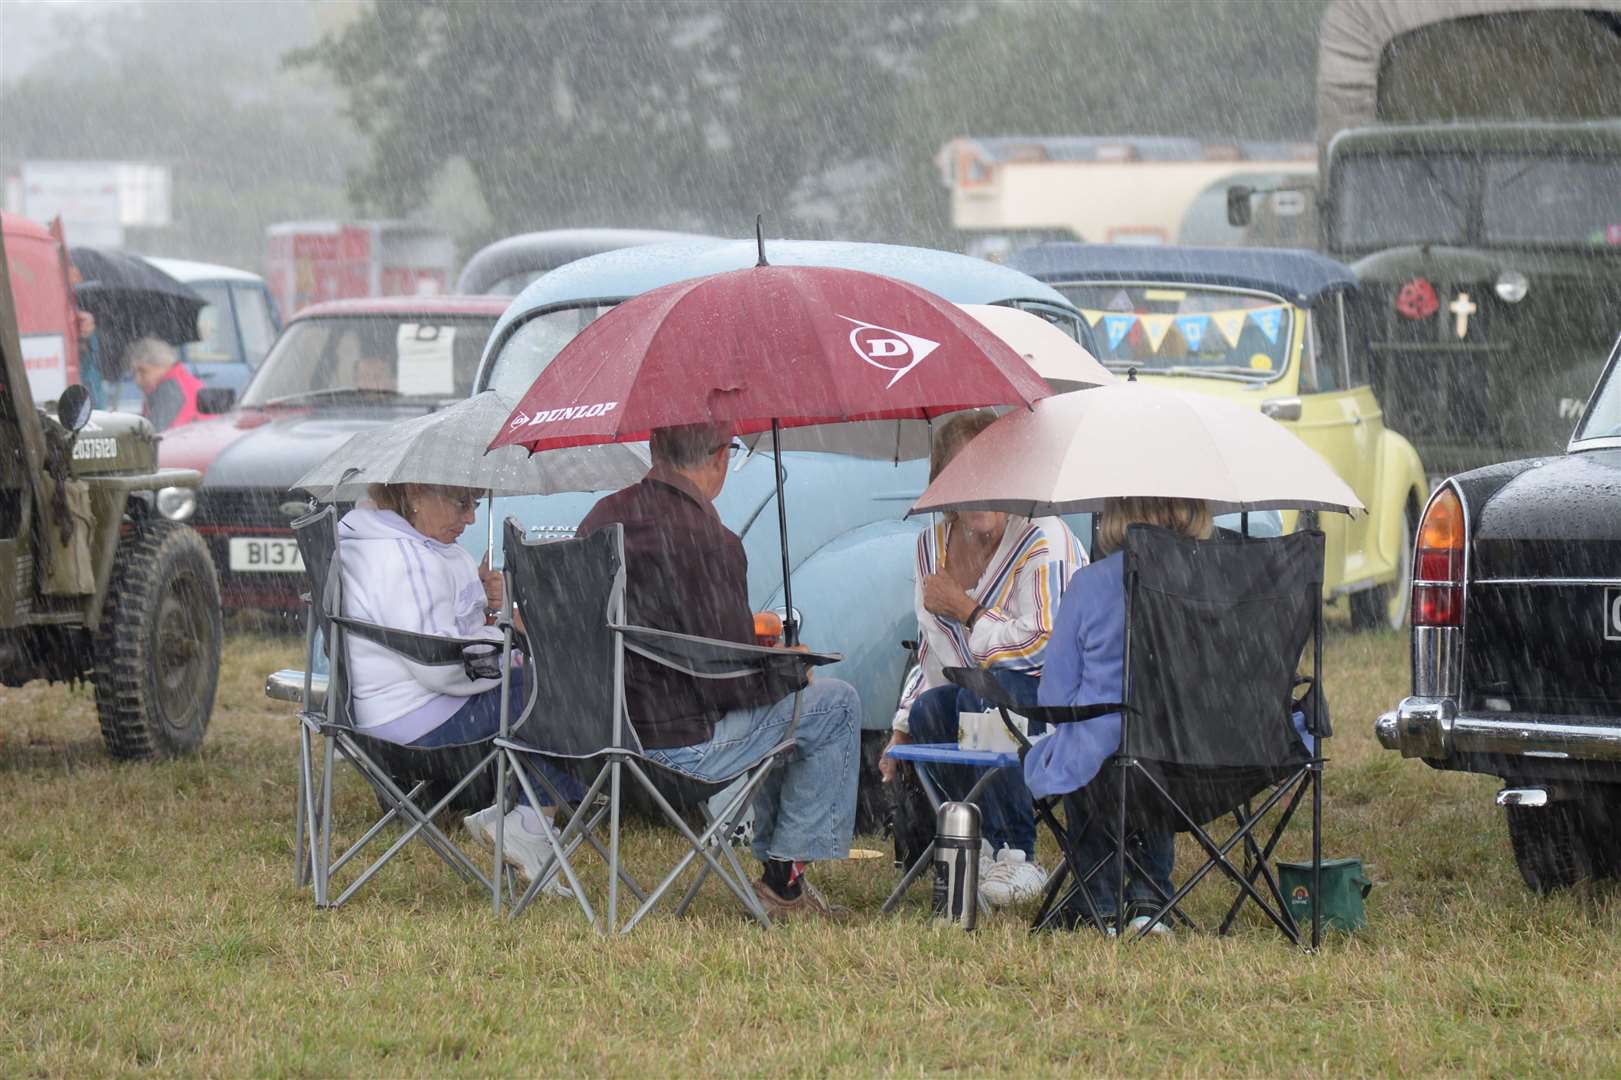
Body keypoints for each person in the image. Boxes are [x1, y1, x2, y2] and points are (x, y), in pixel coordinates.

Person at [577, 421, 862, 921]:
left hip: (597, 742)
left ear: (652, 448)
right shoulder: (711, 541)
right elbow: (730, 684)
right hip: (679, 752)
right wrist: (792, 670)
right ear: (720, 457)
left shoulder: (601, 518)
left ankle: (781, 873)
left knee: (788, 707)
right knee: (833, 704)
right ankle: (784, 883)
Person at [880, 410, 1084, 906]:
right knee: (936, 709)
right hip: (983, 702)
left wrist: (968, 611)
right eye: (966, 475)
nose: (981, 488)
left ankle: (1019, 852)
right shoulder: (930, 548)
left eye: (992, 471)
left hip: (1055, 705)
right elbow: (931, 649)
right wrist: (903, 724)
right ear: (942, 487)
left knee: (981, 691)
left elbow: (1043, 646)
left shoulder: (1043, 536)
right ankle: (979, 843)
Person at [338, 481, 581, 892]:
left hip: (370, 716)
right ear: (415, 493)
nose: (469, 517)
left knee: (543, 687)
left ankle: (516, 816)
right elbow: (439, 665)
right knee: (564, 690)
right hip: (418, 723)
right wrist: (510, 643)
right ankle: (528, 822)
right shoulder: (407, 558)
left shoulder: (369, 539)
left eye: (476, 503)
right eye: (461, 502)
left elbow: (437, 635)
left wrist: (488, 611)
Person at [1027, 495, 1213, 935]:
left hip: (1105, 766)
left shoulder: (1092, 584)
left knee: (1093, 747)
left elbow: (1055, 695)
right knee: (1150, 745)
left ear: (1116, 513)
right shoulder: (1217, 581)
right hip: (1202, 759)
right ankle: (1150, 894)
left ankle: (1099, 894)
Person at [125, 337, 203, 432]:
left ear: (162, 364)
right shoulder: (182, 381)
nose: (137, 380)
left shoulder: (170, 390)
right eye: (134, 373)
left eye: (142, 371)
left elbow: (150, 435)